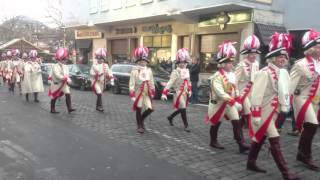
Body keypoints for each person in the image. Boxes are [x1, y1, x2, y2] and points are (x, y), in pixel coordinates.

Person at [247, 33, 300, 180]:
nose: (283, 59)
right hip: (263, 112)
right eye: (279, 57)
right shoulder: (264, 73)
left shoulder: (282, 72)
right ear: (272, 58)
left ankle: (250, 162)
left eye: (285, 57)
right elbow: (255, 95)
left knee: (260, 138)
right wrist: (256, 114)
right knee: (274, 139)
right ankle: (286, 173)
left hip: (274, 112)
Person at [205, 41, 249, 154]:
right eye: (229, 63)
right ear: (223, 64)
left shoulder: (232, 75)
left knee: (236, 122)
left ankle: (241, 144)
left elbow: (236, 89)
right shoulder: (216, 76)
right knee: (215, 123)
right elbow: (221, 93)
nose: (232, 64)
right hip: (218, 104)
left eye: (232, 62)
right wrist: (234, 102)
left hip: (230, 104)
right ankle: (213, 141)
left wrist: (238, 100)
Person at [290, 29, 320, 171]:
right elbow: (291, 86)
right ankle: (306, 156)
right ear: (310, 48)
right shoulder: (299, 64)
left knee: (309, 127)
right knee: (312, 125)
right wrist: (283, 105)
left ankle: (301, 153)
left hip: (314, 99)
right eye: (318, 46)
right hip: (301, 97)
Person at [161, 48, 192, 132]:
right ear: (178, 63)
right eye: (181, 63)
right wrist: (164, 92)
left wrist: (190, 90)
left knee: (181, 108)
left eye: (184, 62)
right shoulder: (175, 72)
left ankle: (170, 117)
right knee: (183, 108)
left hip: (185, 93)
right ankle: (186, 125)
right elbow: (170, 82)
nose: (182, 64)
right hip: (178, 93)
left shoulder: (187, 71)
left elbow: (188, 81)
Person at [235, 35, 260, 129]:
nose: (254, 56)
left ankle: (238, 129)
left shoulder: (256, 64)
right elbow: (235, 81)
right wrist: (236, 94)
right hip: (243, 92)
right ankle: (252, 131)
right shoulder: (241, 65)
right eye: (252, 54)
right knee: (249, 111)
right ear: (247, 54)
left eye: (255, 54)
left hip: (253, 92)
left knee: (249, 112)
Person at [129, 47, 155, 134]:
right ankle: (139, 125)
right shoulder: (134, 71)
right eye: (140, 61)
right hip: (138, 92)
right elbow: (132, 83)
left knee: (150, 109)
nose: (142, 62)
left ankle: (142, 119)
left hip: (147, 93)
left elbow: (151, 81)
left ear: (146, 61)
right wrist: (132, 94)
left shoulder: (149, 71)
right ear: (138, 62)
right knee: (139, 108)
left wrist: (153, 90)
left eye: (144, 61)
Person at [48, 48, 76, 113]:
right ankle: (52, 109)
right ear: (60, 59)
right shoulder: (55, 66)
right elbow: (57, 74)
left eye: (65, 59)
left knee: (68, 93)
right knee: (54, 96)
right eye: (64, 59)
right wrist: (64, 78)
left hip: (64, 84)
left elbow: (67, 75)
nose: (65, 60)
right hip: (56, 84)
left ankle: (69, 108)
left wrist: (69, 80)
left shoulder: (65, 67)